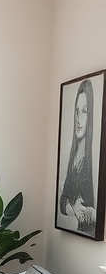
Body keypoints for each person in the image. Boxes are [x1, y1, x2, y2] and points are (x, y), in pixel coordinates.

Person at [59, 78, 96, 235]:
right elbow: (62, 203)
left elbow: (93, 213)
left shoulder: (91, 160)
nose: (78, 120)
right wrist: (74, 207)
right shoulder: (73, 155)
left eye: (85, 111)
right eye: (77, 111)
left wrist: (90, 212)